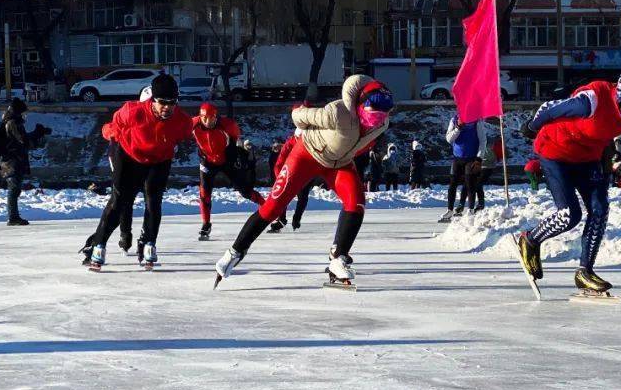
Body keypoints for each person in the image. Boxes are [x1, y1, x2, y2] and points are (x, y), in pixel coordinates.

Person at [214, 76, 394, 287]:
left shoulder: (383, 124)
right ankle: (234, 252)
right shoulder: (336, 112)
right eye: (372, 113)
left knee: (356, 202)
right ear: (359, 104)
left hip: (340, 163)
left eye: (383, 114)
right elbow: (298, 115)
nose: (377, 119)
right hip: (307, 154)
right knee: (273, 207)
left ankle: (339, 257)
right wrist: (301, 123)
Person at [514, 67, 621, 296]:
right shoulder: (591, 101)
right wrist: (532, 126)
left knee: (600, 210)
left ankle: (585, 272)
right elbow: (550, 108)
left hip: (587, 158)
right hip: (555, 152)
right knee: (570, 214)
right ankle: (530, 239)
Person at [82, 75, 191, 268]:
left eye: (172, 103)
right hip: (129, 158)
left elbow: (187, 132)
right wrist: (112, 134)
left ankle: (148, 242)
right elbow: (110, 128)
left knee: (153, 202)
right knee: (119, 201)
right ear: (152, 100)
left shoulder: (182, 121)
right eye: (162, 102)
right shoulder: (132, 112)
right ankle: (98, 244)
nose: (167, 107)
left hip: (159, 161)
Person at [194, 102, 265, 240]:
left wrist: (240, 153)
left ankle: (268, 207)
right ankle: (206, 224)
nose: (208, 122)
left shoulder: (227, 125)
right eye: (205, 118)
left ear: (217, 117)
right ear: (200, 117)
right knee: (204, 192)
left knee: (245, 191)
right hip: (207, 161)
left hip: (227, 160)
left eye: (212, 118)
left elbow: (237, 138)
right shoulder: (192, 124)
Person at [440, 114, 487, 221]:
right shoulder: (454, 119)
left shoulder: (477, 121)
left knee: (470, 184)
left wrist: (479, 158)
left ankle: (470, 210)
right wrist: (458, 128)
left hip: (471, 158)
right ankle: (450, 210)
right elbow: (449, 139)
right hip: (457, 158)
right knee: (452, 184)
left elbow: (483, 140)